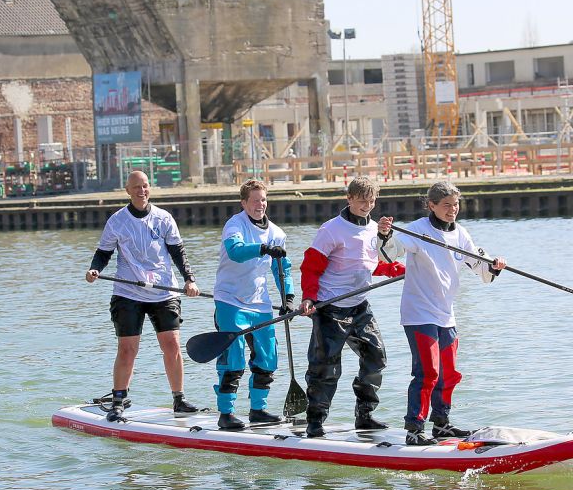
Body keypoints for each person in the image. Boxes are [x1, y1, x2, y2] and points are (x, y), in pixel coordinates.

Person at [380, 181, 506, 445]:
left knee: (449, 374)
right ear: (432, 205)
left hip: (446, 314)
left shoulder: (461, 233)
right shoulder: (416, 230)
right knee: (428, 372)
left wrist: (494, 266)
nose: (452, 210)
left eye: (456, 204)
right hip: (419, 313)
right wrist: (385, 235)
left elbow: (480, 268)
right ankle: (415, 429)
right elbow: (391, 254)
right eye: (446, 205)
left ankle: (441, 424)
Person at [86, 170, 201, 422]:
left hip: (163, 290)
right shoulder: (117, 221)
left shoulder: (164, 218)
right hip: (128, 292)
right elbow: (103, 253)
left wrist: (189, 279)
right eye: (136, 187)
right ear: (127, 190)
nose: (142, 191)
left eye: (146, 186)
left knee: (171, 344)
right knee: (128, 349)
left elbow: (178, 253)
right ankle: (118, 401)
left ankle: (179, 399)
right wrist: (95, 269)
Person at [298, 177, 405, 438]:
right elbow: (310, 267)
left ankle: (364, 416)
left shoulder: (373, 229)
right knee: (325, 368)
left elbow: (368, 264)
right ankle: (315, 422)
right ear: (349, 199)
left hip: (359, 306)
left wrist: (394, 270)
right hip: (330, 308)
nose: (367, 206)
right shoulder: (330, 230)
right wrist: (308, 298)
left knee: (376, 358)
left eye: (371, 201)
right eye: (361, 201)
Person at [212, 179, 293, 430]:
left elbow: (283, 270)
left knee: (268, 358)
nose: (261, 205)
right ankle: (226, 414)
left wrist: (288, 298)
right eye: (255, 200)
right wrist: (263, 248)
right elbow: (236, 252)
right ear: (244, 203)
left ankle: (258, 410)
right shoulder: (234, 225)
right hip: (230, 300)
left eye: (264, 200)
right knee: (233, 359)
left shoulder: (277, 234)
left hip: (260, 305)